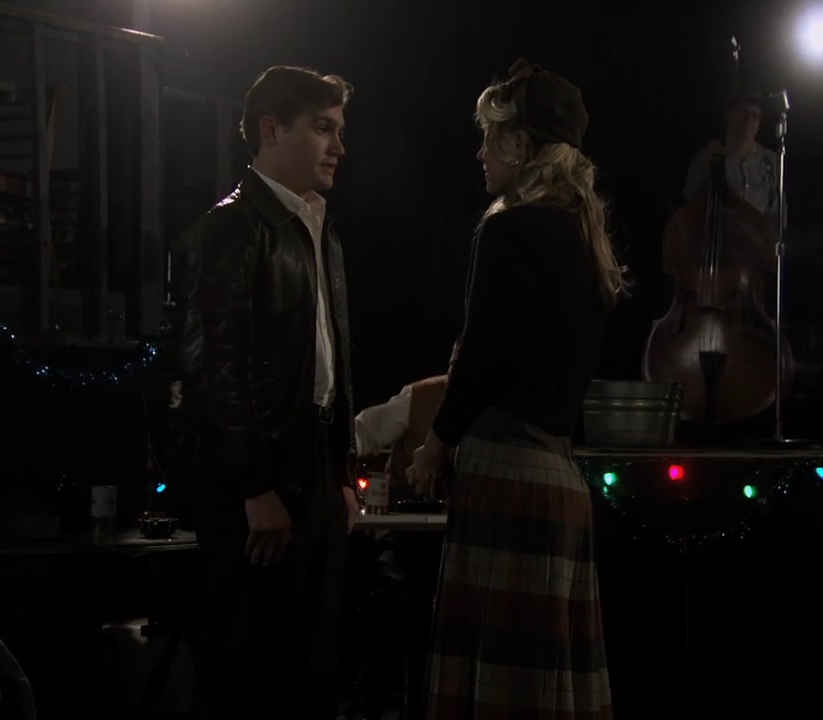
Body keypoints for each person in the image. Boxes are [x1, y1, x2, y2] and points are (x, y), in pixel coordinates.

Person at [406, 57, 619, 718]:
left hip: (507, 474)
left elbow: (483, 358)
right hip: (558, 477)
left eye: (490, 137)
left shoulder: (510, 227)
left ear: (520, 145)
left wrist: (433, 446)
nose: (480, 153)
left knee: (499, 692)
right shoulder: (585, 236)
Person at [168, 65, 360, 719]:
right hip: (258, 476)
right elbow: (214, 368)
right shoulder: (230, 228)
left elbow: (332, 362)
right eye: (323, 128)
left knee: (312, 671)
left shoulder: (317, 227)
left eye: (339, 130)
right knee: (247, 671)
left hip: (313, 469)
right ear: (272, 129)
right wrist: (255, 486)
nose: (338, 146)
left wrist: (341, 474)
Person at [681, 90, 780, 216]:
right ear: (729, 116)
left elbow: (777, 213)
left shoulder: (770, 161)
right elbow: (689, 199)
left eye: (755, 116)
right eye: (744, 113)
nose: (749, 120)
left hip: (757, 228)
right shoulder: (710, 155)